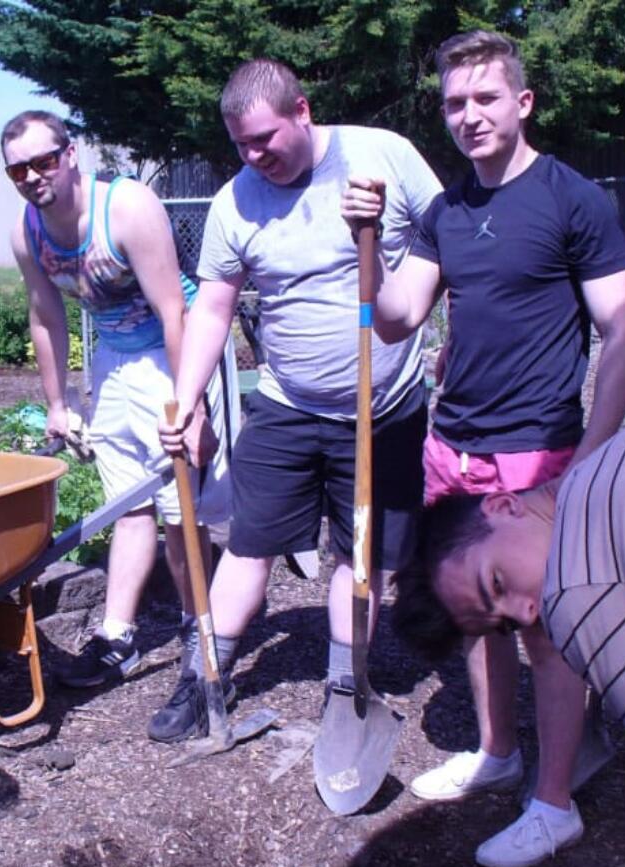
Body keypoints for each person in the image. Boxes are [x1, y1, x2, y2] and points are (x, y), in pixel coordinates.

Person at [342, 29, 625, 867]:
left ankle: (554, 804)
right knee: (476, 610)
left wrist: (592, 455)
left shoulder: (572, 200)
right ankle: (496, 751)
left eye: (483, 98)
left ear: (522, 102)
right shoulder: (447, 212)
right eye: (452, 103)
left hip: (537, 453)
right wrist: (364, 243)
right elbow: (396, 315)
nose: (468, 116)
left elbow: (624, 329)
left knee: (547, 628)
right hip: (454, 444)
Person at [153, 59, 441, 742]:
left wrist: (451, 331)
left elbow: (443, 240)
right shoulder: (235, 201)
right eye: (241, 146)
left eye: (265, 139)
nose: (256, 157)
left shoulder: (384, 156)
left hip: (384, 404)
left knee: (359, 554)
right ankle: (206, 676)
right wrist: (187, 399)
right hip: (287, 403)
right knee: (248, 545)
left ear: (302, 111)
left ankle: (347, 686)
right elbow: (215, 308)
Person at [394, 373, 625, 867]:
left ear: (502, 505)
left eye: (496, 584)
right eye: (503, 626)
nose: (527, 615)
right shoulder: (599, 471)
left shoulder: (577, 589)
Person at [2, 111, 231, 689]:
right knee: (127, 504)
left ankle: (198, 629)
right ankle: (117, 636)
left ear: (70, 154)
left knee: (180, 510)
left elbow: (175, 310)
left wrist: (193, 404)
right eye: (18, 169)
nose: (33, 176)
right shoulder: (26, 231)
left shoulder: (126, 207)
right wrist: (57, 402)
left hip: (172, 356)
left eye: (43, 160)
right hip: (113, 360)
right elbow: (45, 314)